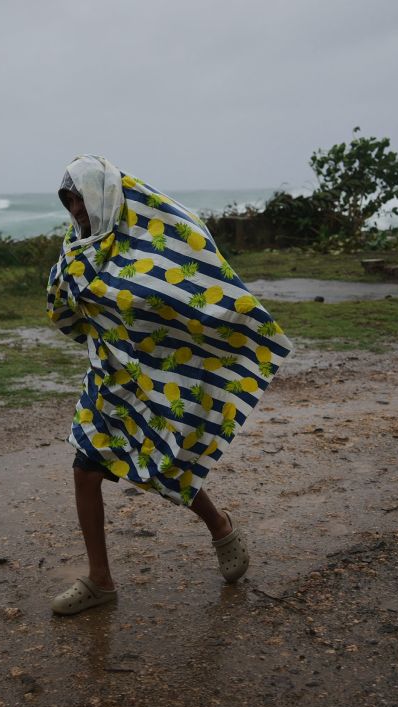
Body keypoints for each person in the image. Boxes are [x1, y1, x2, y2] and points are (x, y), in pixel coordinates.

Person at [45, 155, 294, 615]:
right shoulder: (77, 247)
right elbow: (66, 305)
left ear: (102, 194)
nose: (76, 209)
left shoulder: (154, 239)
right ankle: (100, 581)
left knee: (164, 460)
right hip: (107, 376)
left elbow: (190, 286)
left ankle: (221, 527)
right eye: (69, 201)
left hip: (156, 374)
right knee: (85, 467)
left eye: (81, 198)